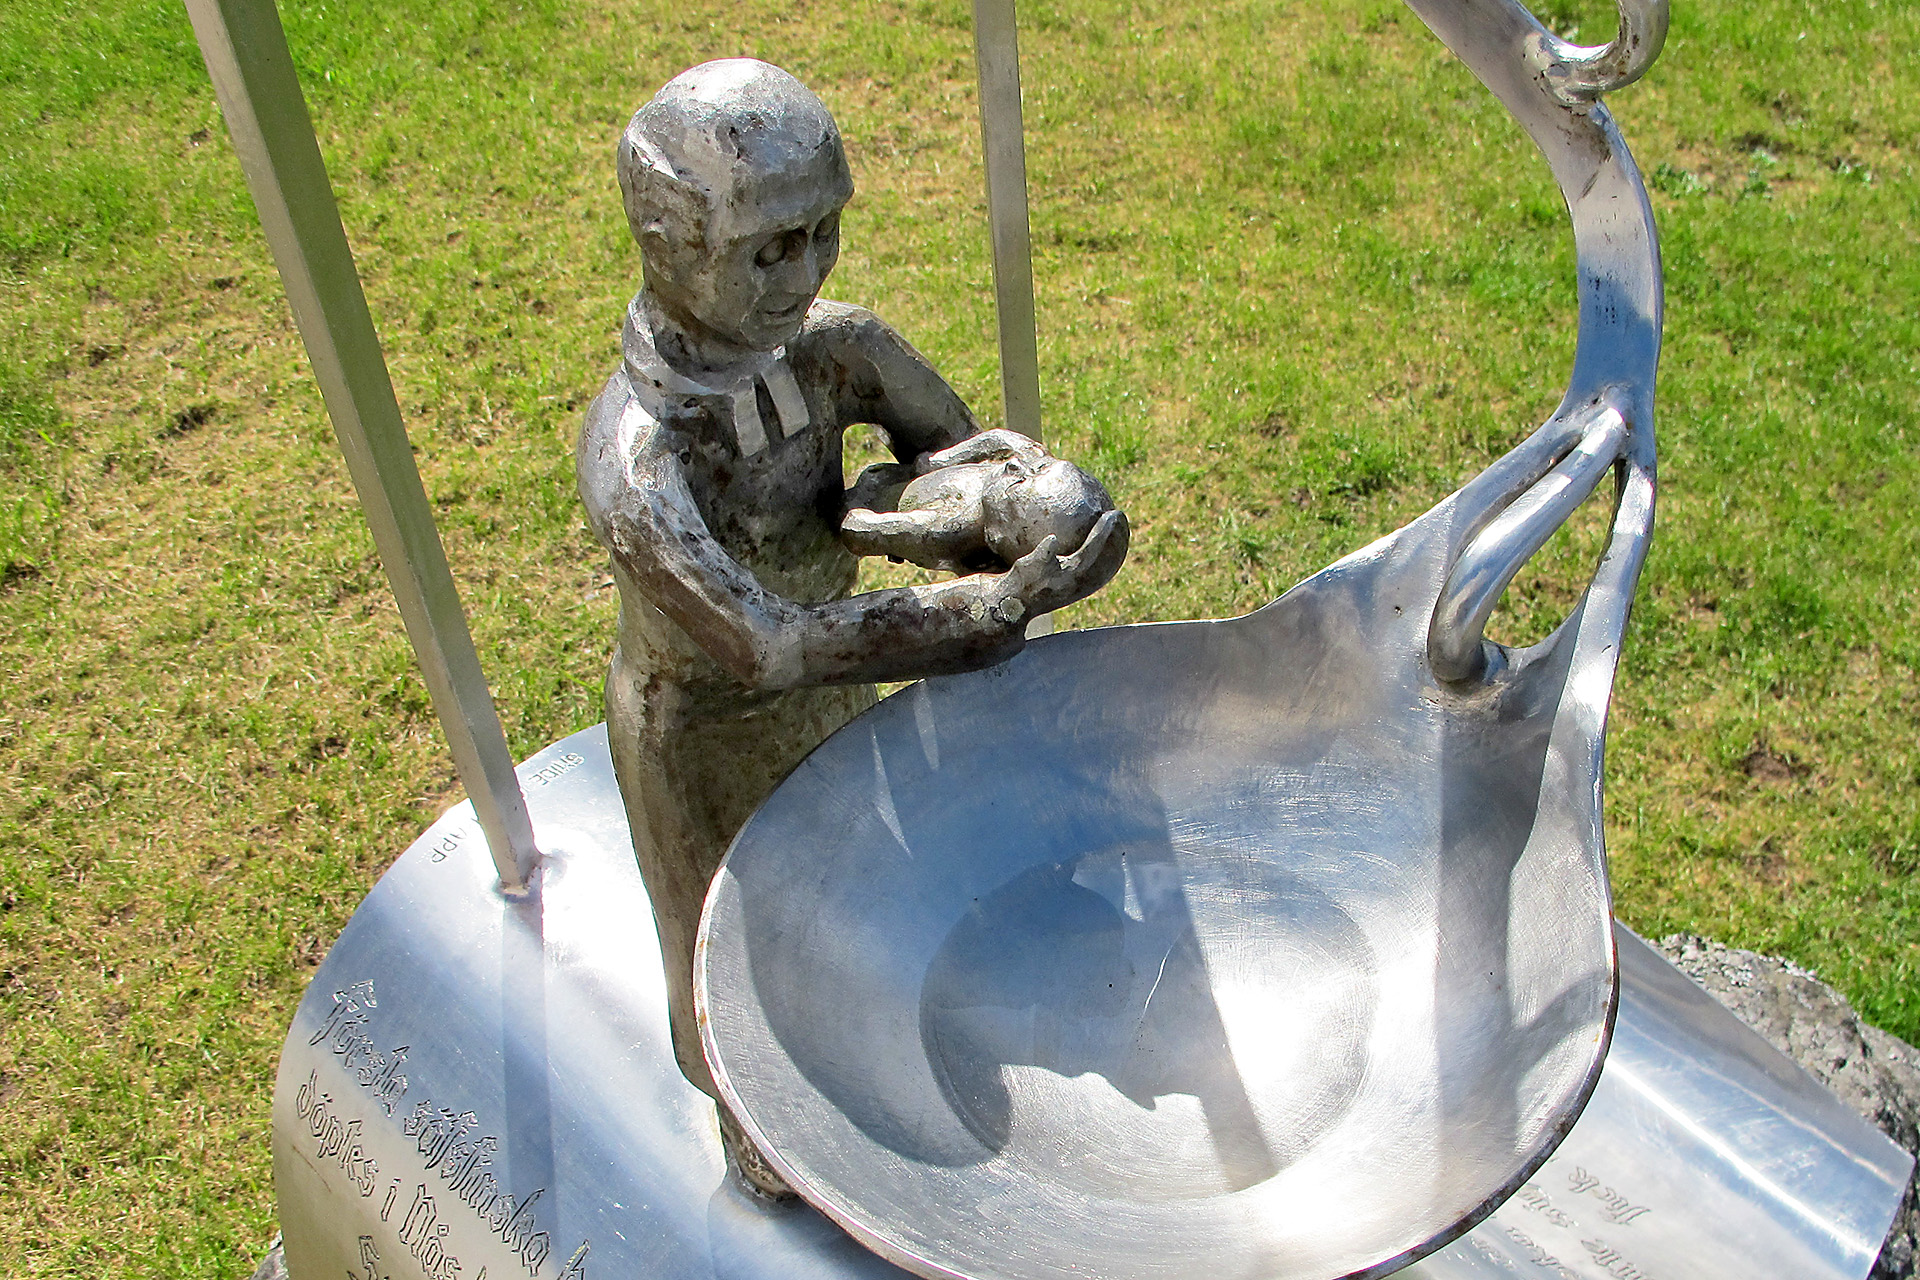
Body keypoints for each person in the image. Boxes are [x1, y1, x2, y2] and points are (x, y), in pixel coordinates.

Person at [574, 58, 1127, 1197]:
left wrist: (1000, 503)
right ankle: (752, 1119)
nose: (807, 273)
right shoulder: (638, 457)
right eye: (769, 249)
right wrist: (974, 611)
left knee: (863, 894)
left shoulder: (838, 350)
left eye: (824, 231)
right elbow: (763, 644)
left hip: (836, 679)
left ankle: (868, 1064)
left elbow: (948, 452)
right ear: (670, 242)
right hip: (703, 730)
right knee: (724, 952)